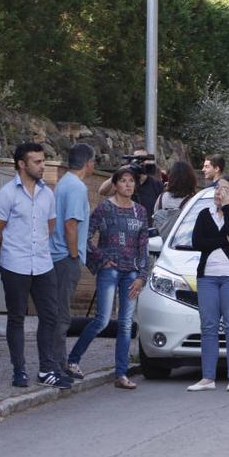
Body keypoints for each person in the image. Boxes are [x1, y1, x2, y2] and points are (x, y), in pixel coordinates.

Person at [0, 143, 69, 389]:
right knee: (16, 317)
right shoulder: (6, 194)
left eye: (43, 161)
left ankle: (46, 369)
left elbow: (51, 225)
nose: (42, 166)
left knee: (50, 315)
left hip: (43, 264)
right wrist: (11, 254)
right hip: (15, 265)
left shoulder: (48, 194)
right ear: (22, 164)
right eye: (37, 162)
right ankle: (19, 370)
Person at [68, 166, 149, 389]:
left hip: (131, 273)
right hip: (109, 271)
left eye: (131, 181)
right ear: (115, 184)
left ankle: (121, 374)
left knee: (125, 324)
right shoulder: (104, 208)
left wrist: (142, 276)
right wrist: (101, 259)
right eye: (123, 181)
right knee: (102, 319)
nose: (128, 185)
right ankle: (73, 360)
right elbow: (85, 237)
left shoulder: (140, 212)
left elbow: (143, 248)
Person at [188, 175, 229, 392]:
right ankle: (208, 378)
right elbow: (197, 243)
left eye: (224, 190)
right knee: (208, 326)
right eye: (217, 188)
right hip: (207, 277)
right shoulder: (204, 215)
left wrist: (227, 210)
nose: (218, 192)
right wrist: (224, 241)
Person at [49, 143, 95, 380]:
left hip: (57, 256)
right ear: (89, 163)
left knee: (58, 312)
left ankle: (56, 362)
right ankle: (56, 365)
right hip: (66, 257)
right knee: (62, 314)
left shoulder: (63, 183)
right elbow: (71, 224)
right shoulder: (76, 187)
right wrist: (75, 255)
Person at [98, 148, 164, 224]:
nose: (142, 163)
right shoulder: (125, 182)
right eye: (138, 160)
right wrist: (119, 172)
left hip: (148, 230)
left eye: (144, 159)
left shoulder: (157, 185)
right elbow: (102, 191)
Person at [153, 161, 198, 238]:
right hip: (181, 243)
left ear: (171, 177)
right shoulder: (193, 201)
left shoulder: (161, 197)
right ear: (191, 178)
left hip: (160, 243)